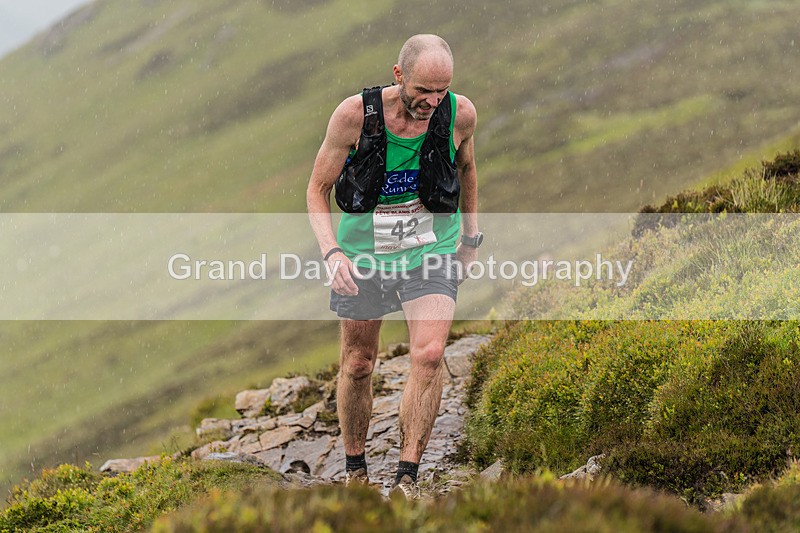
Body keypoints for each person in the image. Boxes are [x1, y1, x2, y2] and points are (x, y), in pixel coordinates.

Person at [306, 34, 480, 499]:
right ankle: (355, 469)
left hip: (431, 249)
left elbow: (465, 168)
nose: (432, 101)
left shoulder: (458, 114)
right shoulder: (354, 117)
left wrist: (470, 237)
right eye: (424, 90)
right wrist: (332, 253)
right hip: (363, 254)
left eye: (441, 90)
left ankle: (406, 476)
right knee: (359, 363)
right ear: (398, 74)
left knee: (428, 353)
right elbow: (316, 190)